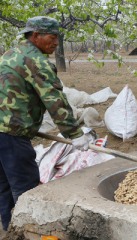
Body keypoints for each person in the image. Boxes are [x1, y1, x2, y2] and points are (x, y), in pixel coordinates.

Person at [0, 16, 93, 231]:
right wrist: (75, 134)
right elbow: (55, 100)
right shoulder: (37, 61)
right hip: (11, 135)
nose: (56, 43)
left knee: (4, 186)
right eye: (52, 37)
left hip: (3, 132)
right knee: (27, 189)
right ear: (35, 36)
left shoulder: (9, 54)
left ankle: (8, 229)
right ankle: (28, 232)